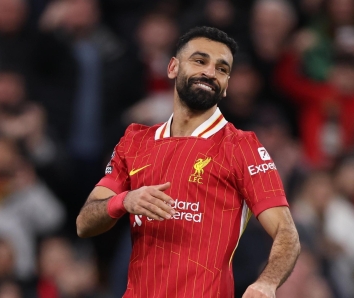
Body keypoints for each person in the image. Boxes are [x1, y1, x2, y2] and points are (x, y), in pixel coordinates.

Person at [76, 26, 300, 298]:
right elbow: (84, 224)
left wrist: (266, 282)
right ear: (172, 67)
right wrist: (124, 201)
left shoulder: (242, 147)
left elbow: (287, 234)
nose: (210, 72)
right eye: (199, 61)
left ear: (226, 85)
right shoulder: (134, 141)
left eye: (222, 68)